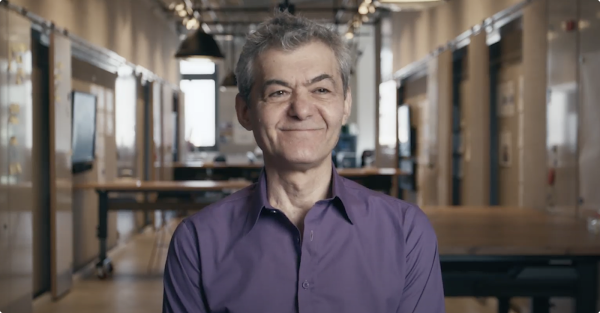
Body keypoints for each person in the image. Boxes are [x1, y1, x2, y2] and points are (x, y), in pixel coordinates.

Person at [163, 11, 445, 313]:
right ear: (245, 111)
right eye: (279, 92)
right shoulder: (197, 243)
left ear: (345, 104)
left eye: (321, 90)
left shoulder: (405, 233)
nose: (301, 109)